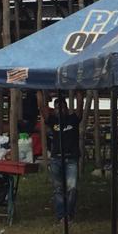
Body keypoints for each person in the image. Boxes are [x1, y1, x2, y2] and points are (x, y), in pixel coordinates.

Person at [45, 95, 81, 223]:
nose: (60, 110)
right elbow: (42, 108)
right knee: (58, 189)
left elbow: (80, 107)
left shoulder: (73, 119)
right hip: (56, 159)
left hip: (71, 158)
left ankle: (69, 214)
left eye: (62, 107)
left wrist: (78, 91)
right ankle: (61, 215)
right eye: (57, 108)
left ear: (67, 108)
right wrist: (40, 91)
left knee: (72, 188)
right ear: (54, 110)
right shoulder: (53, 120)